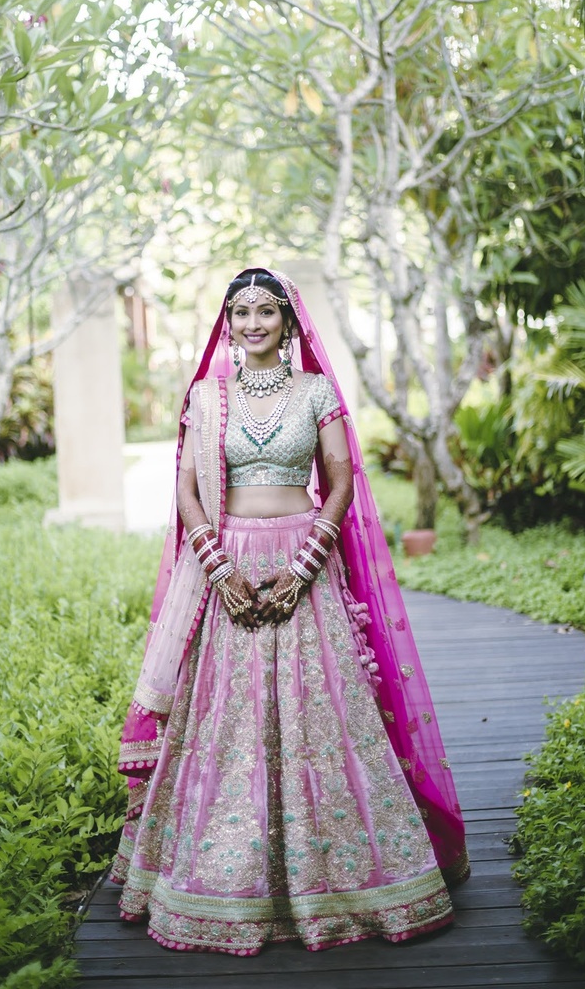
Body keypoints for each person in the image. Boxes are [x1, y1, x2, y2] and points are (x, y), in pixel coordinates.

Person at [110, 267, 469, 955]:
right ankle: (227, 880)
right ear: (227, 322)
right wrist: (217, 567)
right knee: (230, 719)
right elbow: (185, 487)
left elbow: (340, 482)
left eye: (264, 312)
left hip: (304, 560)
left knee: (321, 717)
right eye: (239, 312)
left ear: (287, 321)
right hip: (229, 564)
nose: (252, 324)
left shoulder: (316, 392)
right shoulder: (208, 398)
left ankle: (339, 881)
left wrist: (306, 566)